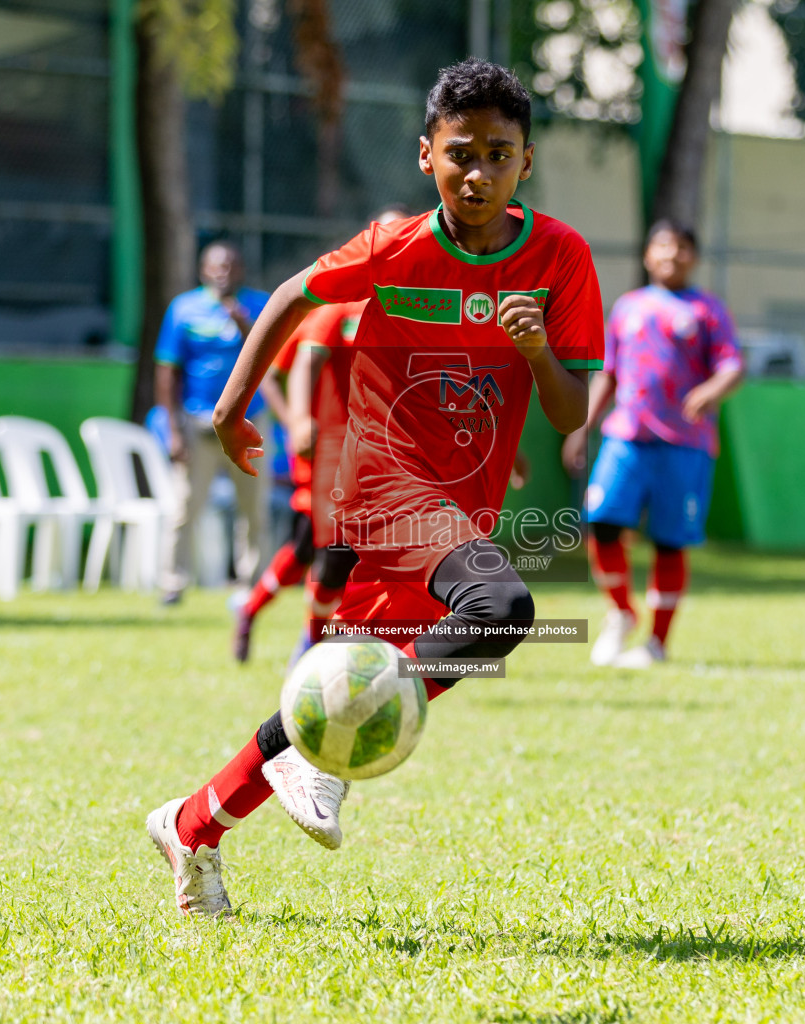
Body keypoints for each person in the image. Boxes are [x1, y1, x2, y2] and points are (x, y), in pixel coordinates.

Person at [145, 58, 602, 915]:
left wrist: (537, 348)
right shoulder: (394, 248)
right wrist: (231, 406)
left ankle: (194, 820)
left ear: (526, 164)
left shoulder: (561, 259)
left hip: (464, 503)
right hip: (383, 488)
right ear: (425, 155)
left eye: (499, 154)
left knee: (355, 683)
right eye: (460, 151)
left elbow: (571, 405)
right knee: (503, 613)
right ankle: (317, 762)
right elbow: (289, 296)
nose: (479, 171)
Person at [231, 206, 412, 664]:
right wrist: (296, 420)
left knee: (315, 550)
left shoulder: (411, 306)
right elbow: (300, 365)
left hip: (383, 458)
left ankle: (290, 629)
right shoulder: (342, 302)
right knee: (329, 552)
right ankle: (312, 645)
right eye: (385, 233)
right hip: (330, 454)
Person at [562, 220, 743, 668]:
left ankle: (656, 644)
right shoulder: (627, 308)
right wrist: (581, 426)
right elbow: (609, 373)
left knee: (669, 542)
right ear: (647, 255)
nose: (671, 255)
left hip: (685, 444)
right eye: (663, 246)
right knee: (601, 523)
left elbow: (733, 366)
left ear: (693, 257)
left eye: (682, 248)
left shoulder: (707, 311)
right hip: (626, 438)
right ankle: (621, 612)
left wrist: (712, 390)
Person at [154, 240, 285, 604]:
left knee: (253, 509)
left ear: (241, 270)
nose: (223, 272)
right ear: (202, 270)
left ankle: (250, 586)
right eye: (216, 266)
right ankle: (173, 584)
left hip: (249, 423)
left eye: (230, 266)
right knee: (184, 507)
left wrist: (245, 326)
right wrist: (173, 431)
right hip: (198, 424)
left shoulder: (259, 305)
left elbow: (273, 361)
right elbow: (167, 371)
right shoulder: (184, 309)